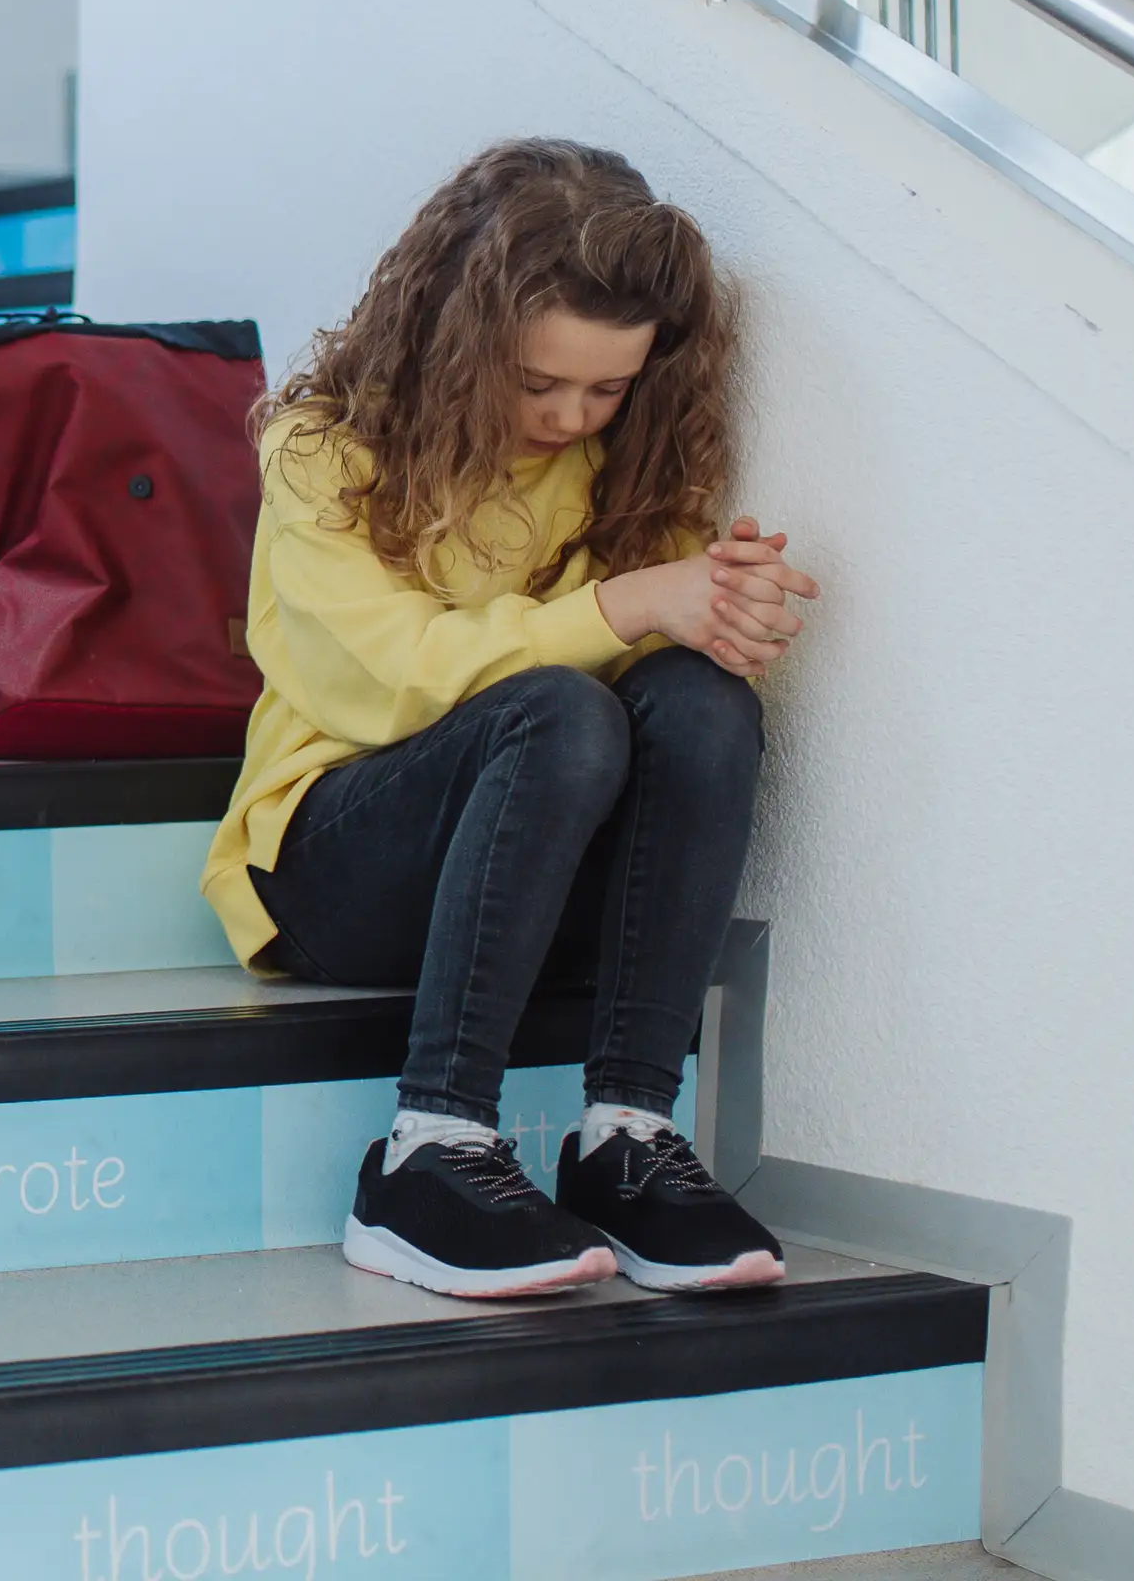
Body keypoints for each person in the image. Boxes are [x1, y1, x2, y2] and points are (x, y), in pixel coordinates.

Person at [202, 139, 817, 1301]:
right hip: (334, 860)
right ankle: (427, 1150)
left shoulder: (618, 460)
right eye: (536, 383)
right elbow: (386, 678)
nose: (569, 414)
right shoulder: (324, 453)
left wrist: (729, 610)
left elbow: (650, 683)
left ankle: (628, 1132)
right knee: (558, 712)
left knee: (695, 697)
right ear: (456, 339)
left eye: (606, 387)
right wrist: (633, 600)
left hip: (535, 866)